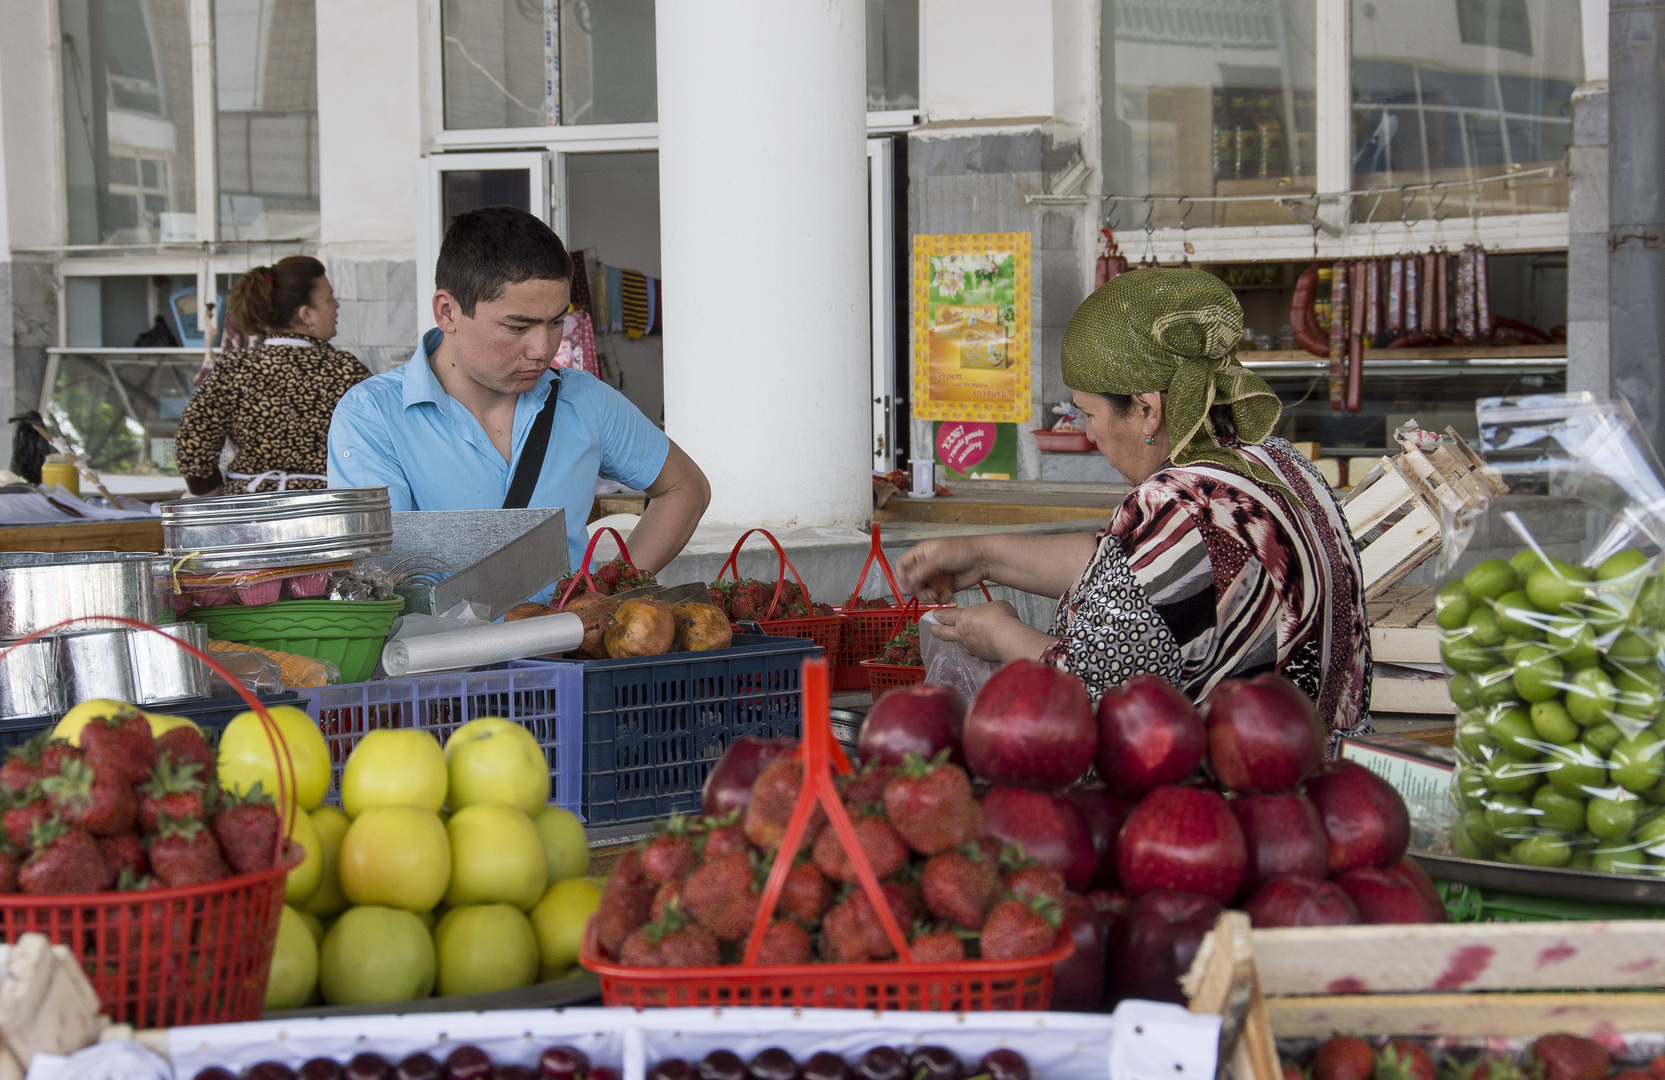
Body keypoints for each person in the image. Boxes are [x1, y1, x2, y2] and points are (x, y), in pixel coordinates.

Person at [897, 268, 1372, 735]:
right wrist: (982, 557)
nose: (1088, 434)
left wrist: (1000, 635)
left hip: (1242, 794)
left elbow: (1091, 689)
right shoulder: (1275, 460)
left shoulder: (1178, 502)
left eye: (1089, 413)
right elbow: (1137, 571)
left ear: (1148, 408)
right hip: (1326, 772)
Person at [327, 206, 709, 574]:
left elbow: (685, 487)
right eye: (517, 326)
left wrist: (607, 601)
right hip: (437, 641)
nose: (543, 349)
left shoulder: (585, 400)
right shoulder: (373, 416)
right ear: (447, 312)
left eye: (556, 321)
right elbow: (375, 572)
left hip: (569, 638)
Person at [174, 257, 368, 495]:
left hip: (247, 512)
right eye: (329, 298)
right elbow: (377, 444)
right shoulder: (345, 370)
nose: (336, 305)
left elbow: (192, 446)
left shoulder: (234, 368)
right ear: (306, 315)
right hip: (325, 511)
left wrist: (214, 495)